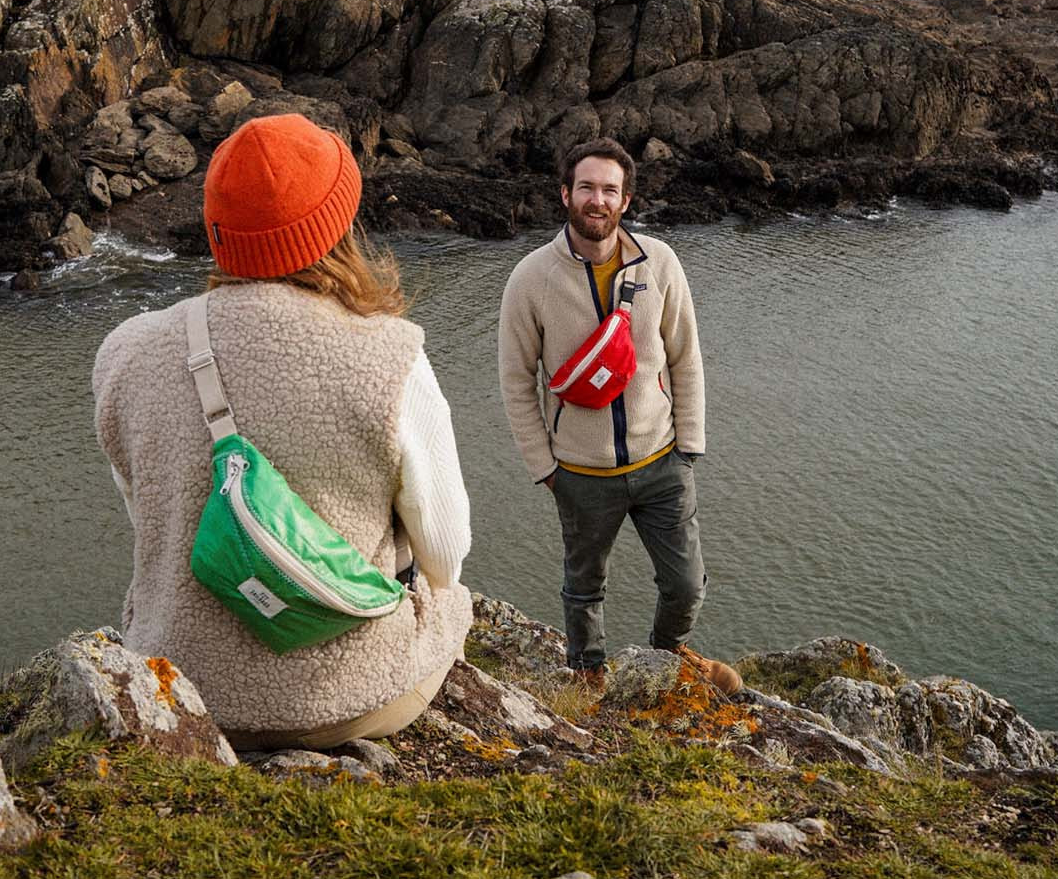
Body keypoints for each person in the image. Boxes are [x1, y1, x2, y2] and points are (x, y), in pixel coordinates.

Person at [92, 113, 473, 749]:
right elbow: (445, 551)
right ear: (336, 226)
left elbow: (153, 521)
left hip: (182, 692)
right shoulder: (392, 356)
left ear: (217, 230)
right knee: (453, 602)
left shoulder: (126, 354)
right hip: (355, 695)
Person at [496, 137, 741, 695]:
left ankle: (669, 655)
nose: (597, 200)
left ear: (626, 200)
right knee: (584, 586)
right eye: (586, 187)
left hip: (662, 461)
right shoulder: (530, 279)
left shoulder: (662, 263)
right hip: (579, 471)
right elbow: (515, 383)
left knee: (687, 584)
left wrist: (689, 446)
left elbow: (686, 355)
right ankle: (587, 673)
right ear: (565, 194)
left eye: (610, 189)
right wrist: (546, 466)